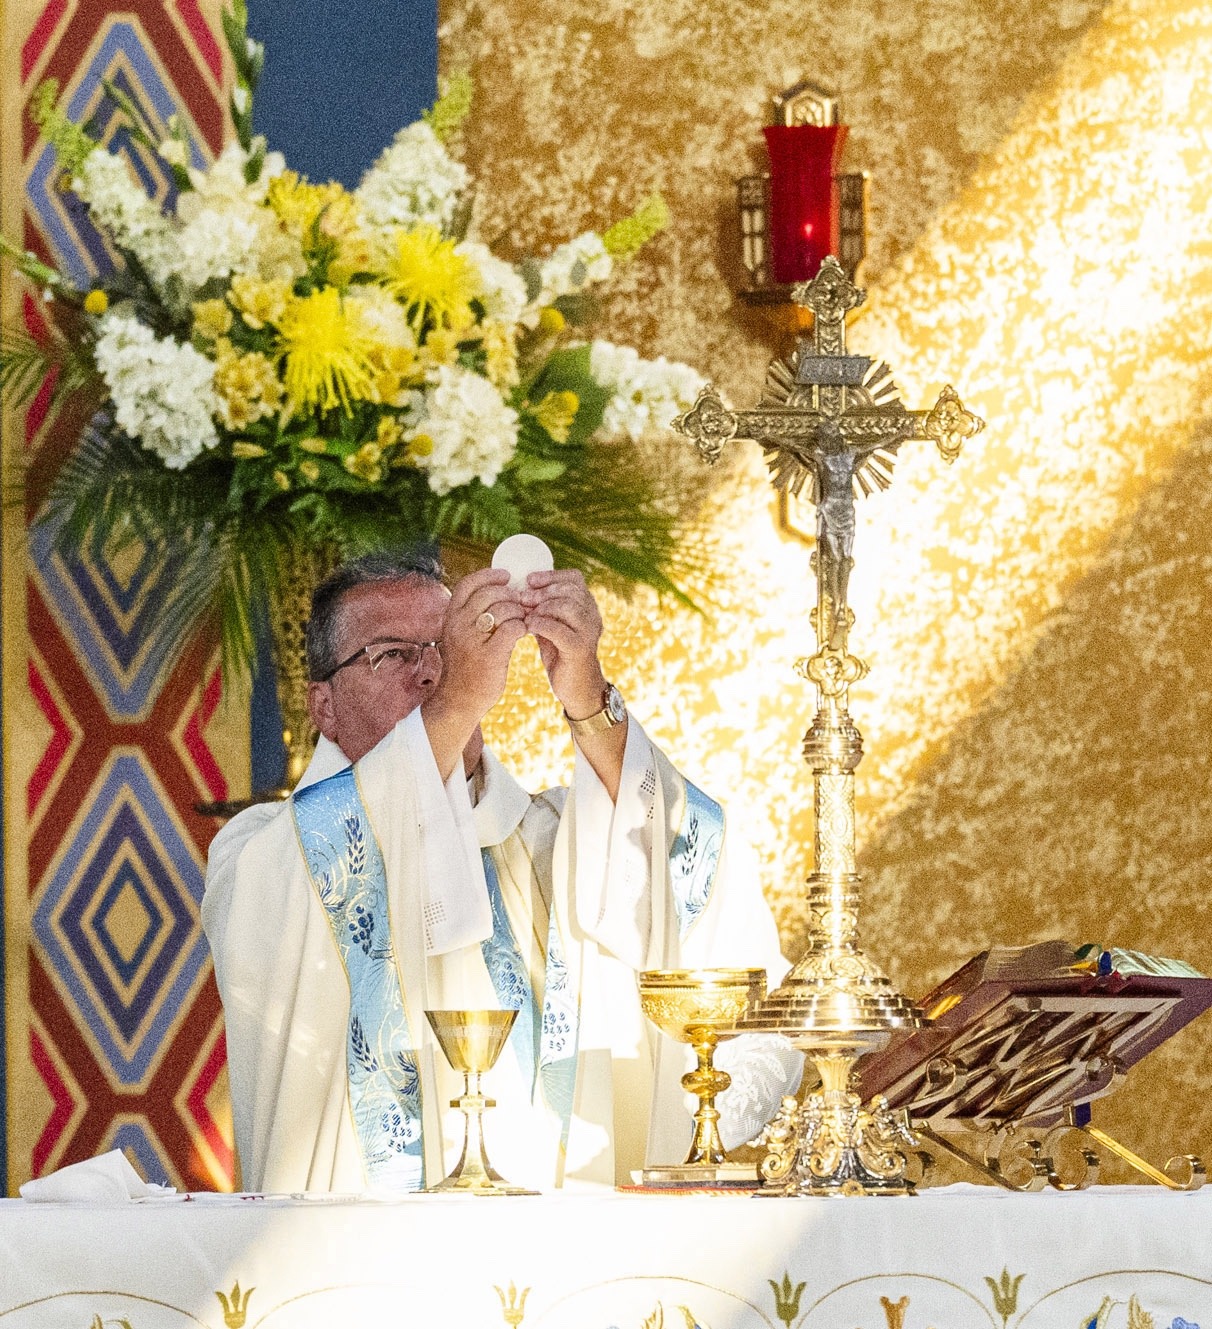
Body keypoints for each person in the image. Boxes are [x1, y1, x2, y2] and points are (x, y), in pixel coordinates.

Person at [203, 549, 799, 1193]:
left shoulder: (544, 841)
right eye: (393, 654)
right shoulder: (261, 851)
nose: (432, 672)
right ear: (323, 706)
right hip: (367, 1260)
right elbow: (324, 863)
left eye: (446, 646)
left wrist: (586, 694)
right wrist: (456, 701)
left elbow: (686, 857)